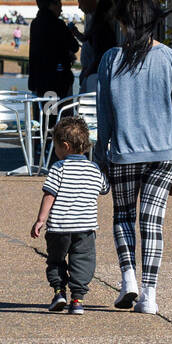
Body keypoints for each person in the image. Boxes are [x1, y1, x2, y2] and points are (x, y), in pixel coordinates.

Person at [95, 0, 172, 316]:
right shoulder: (168, 58)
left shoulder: (110, 60)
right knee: (153, 221)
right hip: (163, 151)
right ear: (152, 21)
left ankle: (128, 280)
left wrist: (100, 153)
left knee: (123, 216)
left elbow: (104, 115)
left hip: (123, 150)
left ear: (123, 22)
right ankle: (149, 295)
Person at [30, 116, 108, 315]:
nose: (54, 151)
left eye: (55, 146)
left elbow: (50, 195)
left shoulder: (59, 168)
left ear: (65, 146)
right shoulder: (94, 169)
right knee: (83, 260)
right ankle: (77, 300)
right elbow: (104, 188)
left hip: (59, 228)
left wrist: (41, 220)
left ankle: (58, 292)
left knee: (56, 260)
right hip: (85, 228)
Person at [27, 0, 78, 99]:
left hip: (38, 78)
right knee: (58, 112)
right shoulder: (57, 24)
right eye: (59, 7)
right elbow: (74, 46)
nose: (61, 10)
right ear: (51, 5)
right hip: (57, 78)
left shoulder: (35, 23)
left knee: (42, 111)